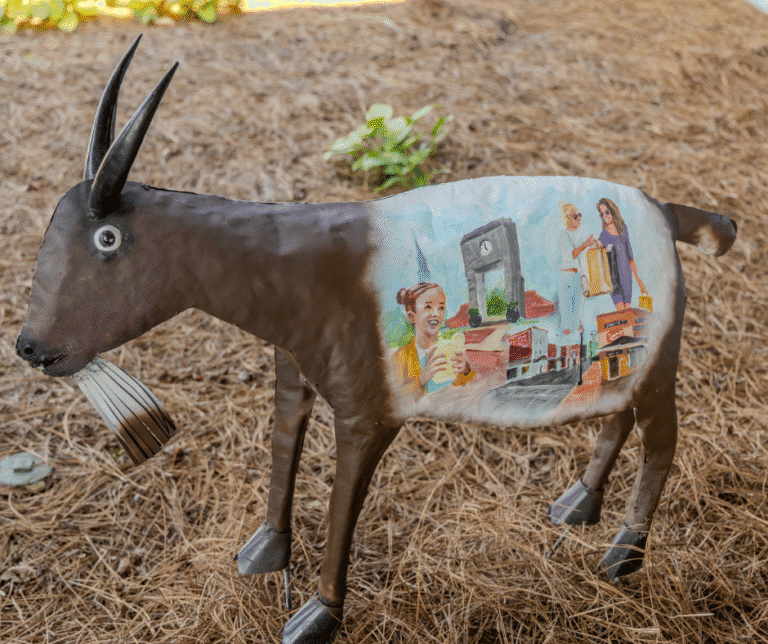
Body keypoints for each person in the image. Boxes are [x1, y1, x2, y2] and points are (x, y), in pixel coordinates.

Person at [391, 282, 474, 399]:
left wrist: (464, 369)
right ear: (411, 316)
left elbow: (463, 385)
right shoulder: (400, 357)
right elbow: (396, 400)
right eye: (428, 307)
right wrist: (423, 377)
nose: (436, 313)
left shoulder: (448, 347)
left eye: (441, 308)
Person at [596, 198, 647, 311]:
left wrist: (639, 282)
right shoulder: (603, 235)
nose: (605, 216)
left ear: (613, 211)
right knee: (620, 310)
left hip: (626, 277)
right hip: (613, 279)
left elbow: (630, 257)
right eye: (602, 214)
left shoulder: (623, 229)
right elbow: (599, 260)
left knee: (628, 310)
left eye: (607, 212)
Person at [558, 202, 597, 337]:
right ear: (568, 218)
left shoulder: (582, 234)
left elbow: (587, 252)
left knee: (578, 313)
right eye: (575, 216)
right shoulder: (563, 234)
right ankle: (567, 340)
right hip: (566, 277)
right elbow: (571, 255)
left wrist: (595, 245)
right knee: (566, 317)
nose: (579, 218)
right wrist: (586, 244)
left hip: (578, 277)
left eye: (580, 215)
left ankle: (576, 341)